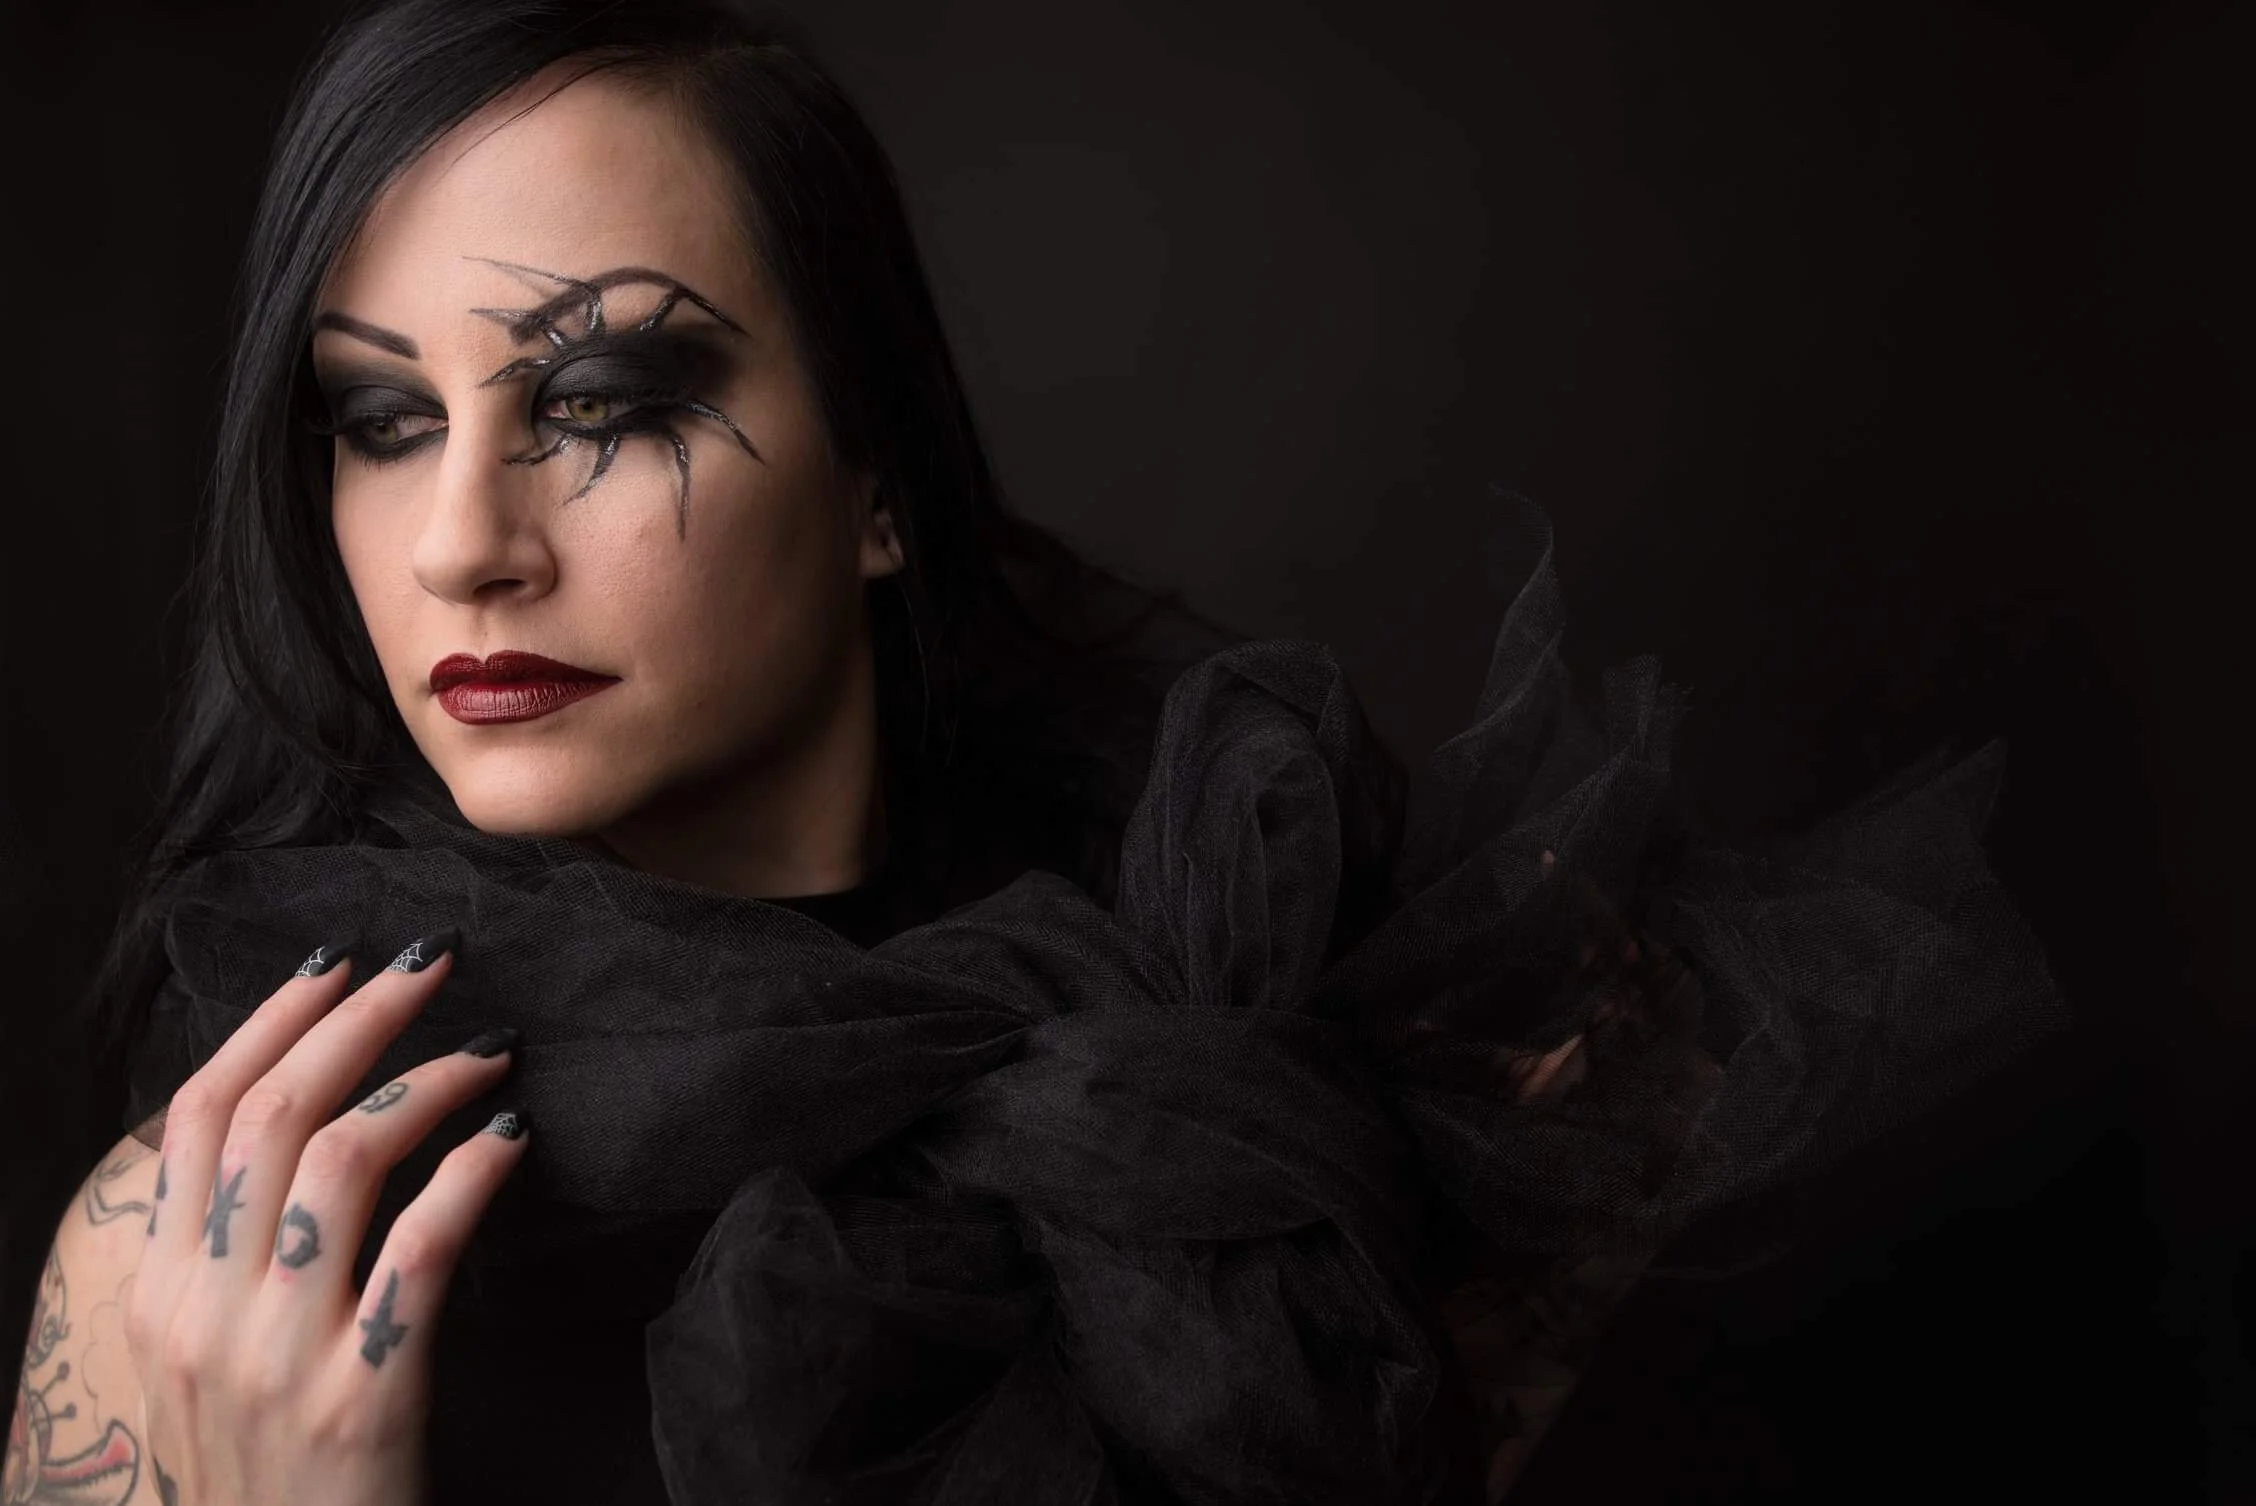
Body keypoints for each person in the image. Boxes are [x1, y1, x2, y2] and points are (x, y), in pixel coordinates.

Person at [5, 1, 2069, 1502]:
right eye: (382, 422)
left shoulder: (1325, 1070)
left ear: (883, 479)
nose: (463, 538)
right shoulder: (219, 1248)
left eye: (612, 394)